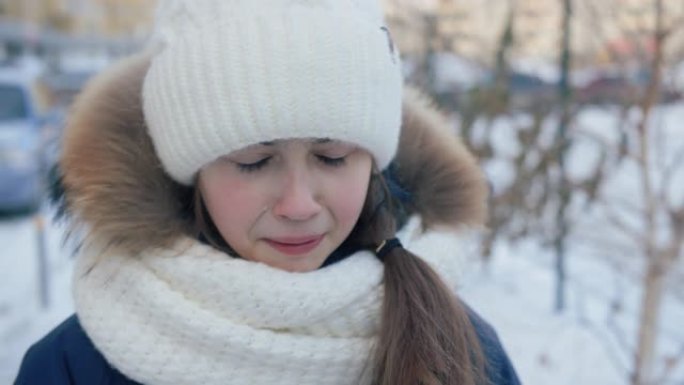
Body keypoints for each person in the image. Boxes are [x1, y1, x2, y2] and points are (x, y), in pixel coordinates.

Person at [15, 0, 521, 384]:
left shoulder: (462, 354)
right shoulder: (72, 368)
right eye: (253, 162)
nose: (298, 205)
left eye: (333, 157)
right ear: (191, 170)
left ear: (373, 160)